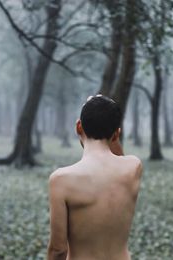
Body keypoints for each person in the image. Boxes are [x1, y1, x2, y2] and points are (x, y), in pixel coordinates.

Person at [47, 95, 143, 260]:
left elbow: (58, 250)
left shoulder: (61, 180)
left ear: (78, 127)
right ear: (116, 134)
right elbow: (118, 155)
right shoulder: (133, 167)